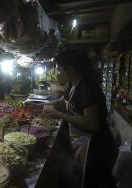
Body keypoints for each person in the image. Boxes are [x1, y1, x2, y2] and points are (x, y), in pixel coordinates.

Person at [41, 49, 116, 188]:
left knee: (90, 182)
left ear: (70, 70)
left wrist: (60, 115)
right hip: (83, 141)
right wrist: (39, 105)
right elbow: (63, 102)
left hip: (96, 145)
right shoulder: (73, 84)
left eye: (59, 70)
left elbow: (92, 123)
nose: (57, 73)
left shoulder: (87, 87)